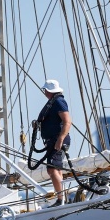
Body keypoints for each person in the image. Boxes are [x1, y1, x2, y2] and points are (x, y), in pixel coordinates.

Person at [35, 79, 72, 207]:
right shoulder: (53, 102)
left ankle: (60, 199)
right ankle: (62, 198)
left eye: (45, 90)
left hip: (57, 140)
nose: (44, 92)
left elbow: (67, 122)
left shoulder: (58, 102)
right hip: (52, 140)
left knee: (51, 169)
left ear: (49, 91)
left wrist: (60, 139)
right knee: (56, 168)